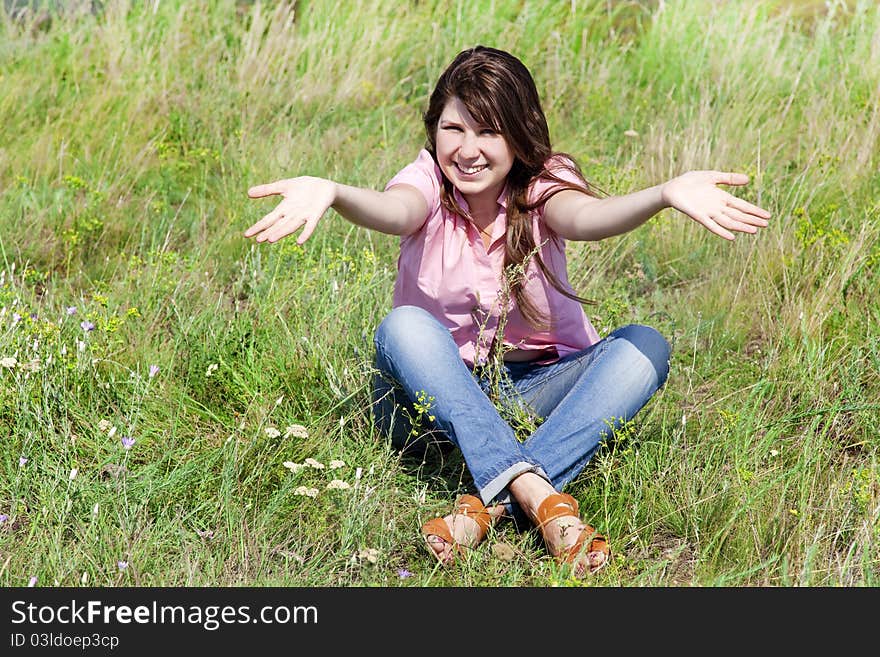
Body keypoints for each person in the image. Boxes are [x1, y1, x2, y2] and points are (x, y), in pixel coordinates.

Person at [244, 45, 770, 576]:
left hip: (534, 388)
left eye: (489, 131)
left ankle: (491, 501)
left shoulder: (543, 182)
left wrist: (662, 194)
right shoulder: (426, 181)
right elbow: (393, 210)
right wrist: (333, 192)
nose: (467, 150)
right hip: (429, 402)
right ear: (434, 130)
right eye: (454, 129)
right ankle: (541, 496)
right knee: (402, 327)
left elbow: (587, 217)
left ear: (519, 136)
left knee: (644, 347)